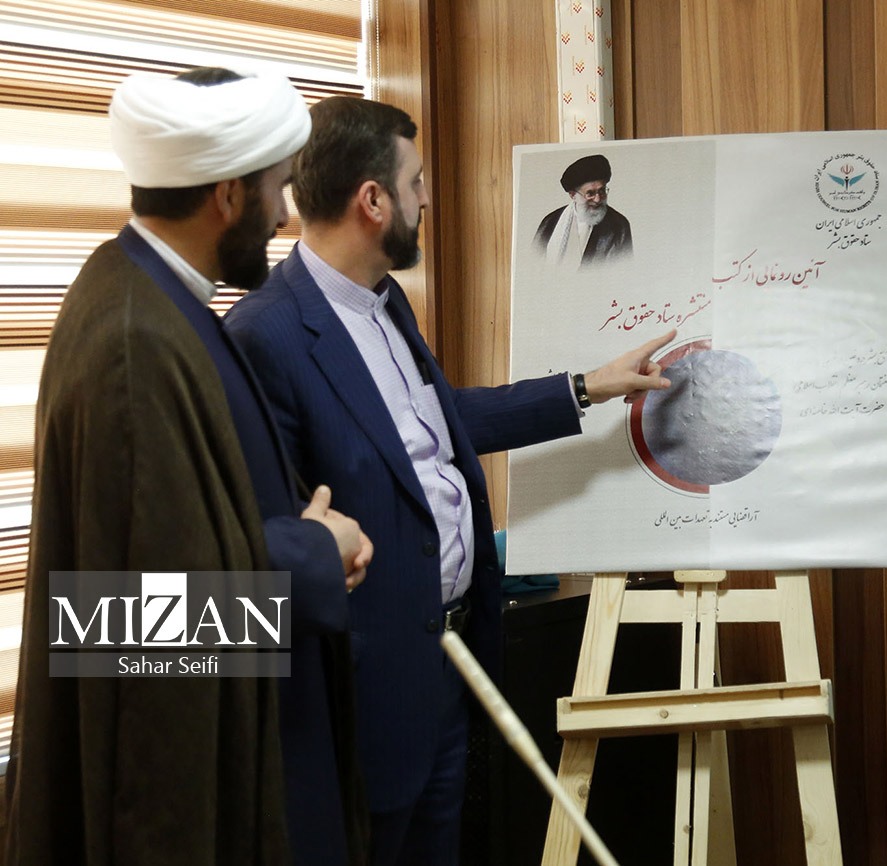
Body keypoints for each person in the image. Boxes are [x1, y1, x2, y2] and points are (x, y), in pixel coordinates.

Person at [224, 95, 671, 865]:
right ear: (373, 201)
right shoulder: (263, 334)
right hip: (365, 702)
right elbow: (255, 540)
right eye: (417, 182)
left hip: (453, 668)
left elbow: (440, 423)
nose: (427, 199)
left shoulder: (386, 300)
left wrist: (585, 387)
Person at [5, 69, 370, 865]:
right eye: (277, 190)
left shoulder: (153, 299)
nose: (285, 216)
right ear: (228, 197)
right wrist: (317, 552)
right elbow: (131, 623)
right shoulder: (134, 339)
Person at [533, 153, 633, 267]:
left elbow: (624, 271)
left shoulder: (619, 226)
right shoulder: (550, 221)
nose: (597, 199)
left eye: (602, 191)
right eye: (590, 193)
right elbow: (534, 264)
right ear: (573, 195)